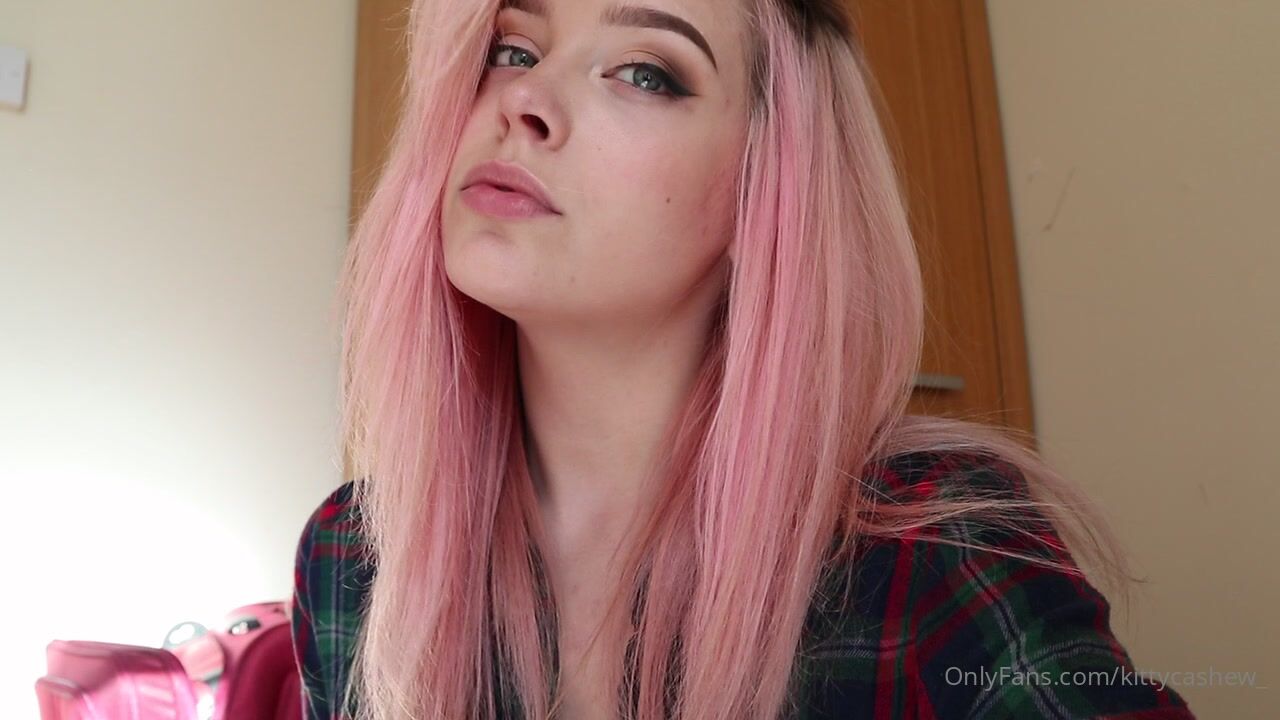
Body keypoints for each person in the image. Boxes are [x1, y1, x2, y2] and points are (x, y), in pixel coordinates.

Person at [291, 0, 1197, 717]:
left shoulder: (934, 551)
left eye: (644, 72)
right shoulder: (354, 558)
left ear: (765, 185)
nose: (523, 99)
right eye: (512, 48)